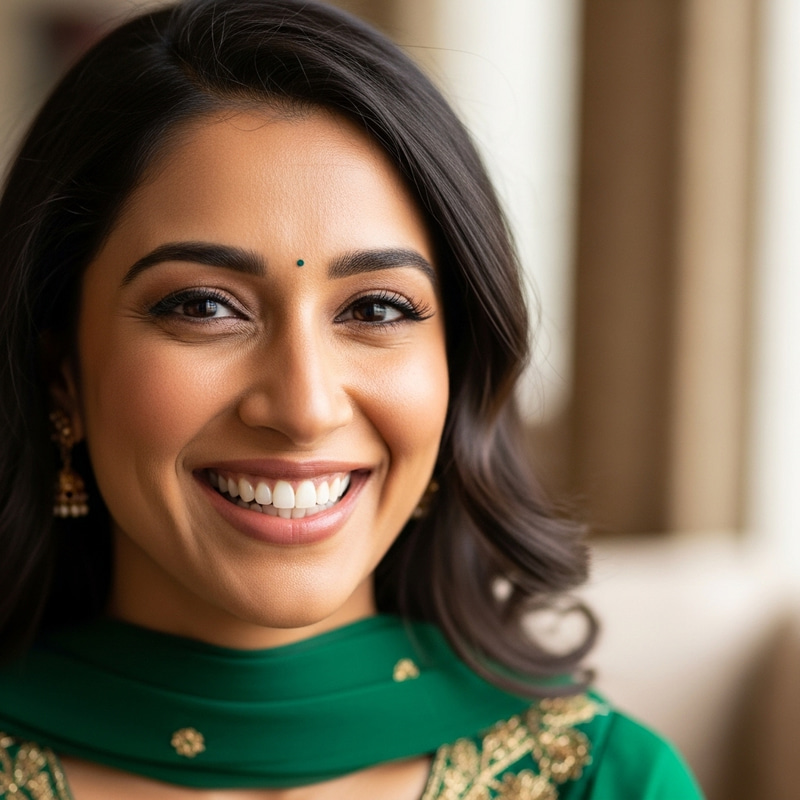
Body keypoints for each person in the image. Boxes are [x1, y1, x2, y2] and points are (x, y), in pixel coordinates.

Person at [0, 1, 704, 798]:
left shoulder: (602, 780)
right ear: (60, 369)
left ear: (457, 370)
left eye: (376, 310)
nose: (304, 407)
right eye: (203, 306)